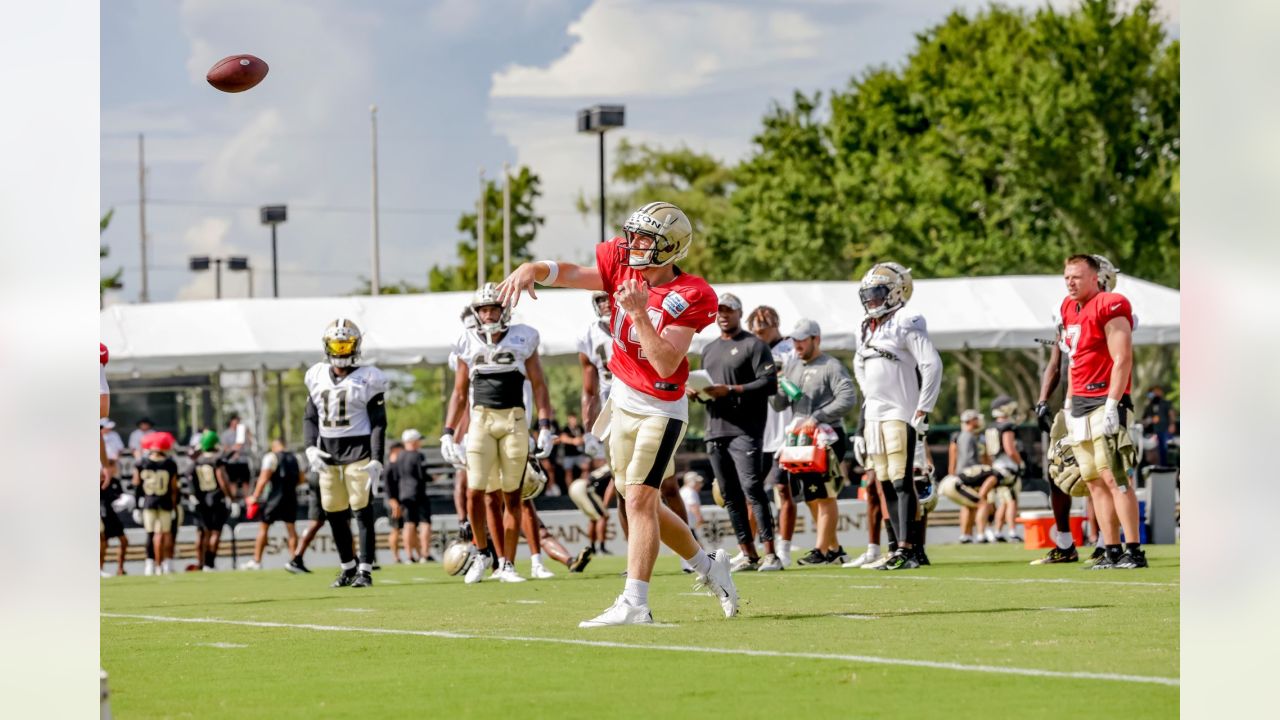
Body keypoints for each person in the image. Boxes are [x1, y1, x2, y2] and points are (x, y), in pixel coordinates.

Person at [498, 200, 740, 627]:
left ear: (670, 249)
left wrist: (636, 312)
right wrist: (535, 268)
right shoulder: (623, 264)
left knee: (643, 499)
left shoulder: (691, 294)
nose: (635, 244)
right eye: (634, 234)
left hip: (662, 406)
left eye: (646, 238)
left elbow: (666, 362)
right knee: (634, 499)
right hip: (623, 399)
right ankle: (708, 566)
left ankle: (635, 603)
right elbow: (573, 274)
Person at [441, 283, 556, 584]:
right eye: (484, 309)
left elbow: (540, 385)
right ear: (477, 313)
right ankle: (482, 553)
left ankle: (507, 564)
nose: (489, 314)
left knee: (512, 495)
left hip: (515, 420)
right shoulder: (466, 340)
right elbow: (459, 393)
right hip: (481, 420)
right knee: (475, 490)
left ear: (504, 310)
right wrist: (448, 432)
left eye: (493, 308)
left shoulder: (524, 336)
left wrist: (545, 426)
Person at [1057, 254, 1146, 569]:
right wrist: (1067, 403)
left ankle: (1133, 549)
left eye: (1077, 277)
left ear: (1096, 278)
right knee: (1093, 480)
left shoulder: (1110, 303)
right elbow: (1074, 361)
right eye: (1067, 276)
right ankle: (1110, 549)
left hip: (1105, 400)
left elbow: (1122, 358)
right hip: (1079, 403)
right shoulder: (1068, 308)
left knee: (1114, 476)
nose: (1070, 282)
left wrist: (1113, 402)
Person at [851, 262, 942, 571]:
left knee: (902, 482)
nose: (872, 300)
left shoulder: (907, 320)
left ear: (896, 292)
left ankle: (907, 549)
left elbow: (932, 364)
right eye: (869, 294)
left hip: (900, 412)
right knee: (884, 482)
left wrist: (922, 407)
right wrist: (864, 416)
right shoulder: (865, 326)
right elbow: (860, 367)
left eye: (878, 293)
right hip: (875, 414)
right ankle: (896, 548)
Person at [694, 292, 781, 572]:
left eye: (728, 310)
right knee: (729, 495)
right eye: (719, 310)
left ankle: (771, 554)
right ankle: (747, 553)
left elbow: (769, 384)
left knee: (752, 488)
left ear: (739, 313)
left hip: (746, 429)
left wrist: (731, 390)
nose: (723, 314)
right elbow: (707, 384)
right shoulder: (708, 350)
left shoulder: (754, 345)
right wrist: (697, 393)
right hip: (715, 428)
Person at [303, 318, 389, 588]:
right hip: (328, 453)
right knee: (333, 512)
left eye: (346, 345)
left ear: (356, 346)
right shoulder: (316, 374)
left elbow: (378, 422)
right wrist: (309, 447)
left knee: (362, 511)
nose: (341, 352)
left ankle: (365, 570)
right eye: (336, 345)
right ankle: (347, 566)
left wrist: (377, 457)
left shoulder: (368, 377)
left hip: (359, 451)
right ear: (327, 347)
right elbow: (309, 417)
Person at [771, 318, 857, 565]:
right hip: (799, 439)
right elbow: (779, 405)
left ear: (815, 339)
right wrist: (775, 388)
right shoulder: (792, 367)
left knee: (825, 493)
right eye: (794, 340)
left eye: (802, 339)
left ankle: (820, 550)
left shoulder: (831, 365)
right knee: (809, 495)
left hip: (827, 438)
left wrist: (818, 417)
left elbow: (848, 397)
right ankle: (834, 549)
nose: (797, 344)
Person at [747, 305, 803, 567]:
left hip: (784, 426)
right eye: (755, 330)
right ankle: (750, 546)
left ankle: (784, 546)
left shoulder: (790, 348)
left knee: (783, 488)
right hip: (758, 427)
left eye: (764, 329)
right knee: (752, 489)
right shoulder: (750, 348)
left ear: (775, 326)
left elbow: (798, 385)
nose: (759, 334)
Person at [575, 291, 616, 563]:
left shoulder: (640, 320)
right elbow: (589, 390)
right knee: (624, 489)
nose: (604, 303)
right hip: (613, 410)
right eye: (600, 299)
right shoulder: (589, 335)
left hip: (645, 402)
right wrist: (589, 430)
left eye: (608, 297)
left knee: (667, 485)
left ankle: (689, 555)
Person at [244, 439, 303, 569]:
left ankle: (256, 561)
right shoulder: (296, 457)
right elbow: (301, 479)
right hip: (291, 497)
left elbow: (263, 479)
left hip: (275, 498)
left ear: (274, 446)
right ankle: (294, 561)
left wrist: (254, 497)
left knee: (264, 528)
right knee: (291, 530)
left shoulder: (271, 457)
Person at [133, 431, 179, 575]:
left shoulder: (142, 462)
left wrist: (136, 505)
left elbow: (136, 484)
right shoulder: (170, 463)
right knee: (164, 534)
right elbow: (174, 487)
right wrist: (174, 505)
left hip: (148, 502)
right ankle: (164, 563)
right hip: (165, 502)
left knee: (150, 534)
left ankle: (150, 563)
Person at [191, 430, 235, 570]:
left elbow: (190, 478)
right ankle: (209, 563)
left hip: (202, 500)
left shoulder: (197, 461)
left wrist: (194, 495)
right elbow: (222, 480)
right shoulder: (217, 460)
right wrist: (230, 498)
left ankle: (201, 562)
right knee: (215, 532)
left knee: (203, 532)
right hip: (216, 499)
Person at [984, 396, 1025, 543]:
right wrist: (1020, 463)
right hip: (1009, 468)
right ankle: (1012, 531)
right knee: (1012, 500)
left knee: (1003, 501)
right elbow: (1010, 449)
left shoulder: (990, 426)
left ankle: (998, 531)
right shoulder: (1007, 426)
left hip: (997, 467)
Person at [948, 410, 988, 543]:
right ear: (970, 420)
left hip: (965, 473)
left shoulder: (964, 435)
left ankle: (967, 534)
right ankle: (975, 534)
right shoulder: (968, 436)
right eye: (976, 418)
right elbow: (968, 459)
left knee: (969, 505)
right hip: (969, 474)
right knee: (977, 503)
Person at [396, 430, 434, 563]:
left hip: (404, 494)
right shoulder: (418, 456)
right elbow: (422, 474)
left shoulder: (399, 456)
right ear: (412, 441)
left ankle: (409, 555)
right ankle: (424, 553)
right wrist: (432, 478)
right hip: (418, 492)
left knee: (408, 524)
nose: (420, 442)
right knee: (425, 524)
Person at [1141, 385, 1177, 466]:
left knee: (1166, 449)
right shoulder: (1149, 405)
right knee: (1156, 451)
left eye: (1158, 391)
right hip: (1153, 432)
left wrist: (1172, 424)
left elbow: (1171, 414)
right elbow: (1144, 419)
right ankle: (1159, 466)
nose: (1156, 393)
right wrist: (1149, 420)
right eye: (1154, 391)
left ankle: (1167, 466)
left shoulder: (1166, 403)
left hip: (1165, 429)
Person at [221, 414, 254, 496]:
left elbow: (249, 444)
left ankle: (247, 500)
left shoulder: (243, 433)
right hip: (232, 462)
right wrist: (233, 451)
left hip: (242, 461)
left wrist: (248, 434)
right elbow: (225, 448)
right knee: (233, 482)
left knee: (245, 482)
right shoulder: (226, 434)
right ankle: (233, 501)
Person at [384, 442, 406, 563]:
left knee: (403, 528)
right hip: (394, 502)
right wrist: (394, 504)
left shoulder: (399, 466)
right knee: (396, 528)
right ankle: (395, 556)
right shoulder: (389, 468)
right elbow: (388, 489)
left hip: (400, 501)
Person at [679, 471, 706, 544]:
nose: (700, 485)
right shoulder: (690, 492)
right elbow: (693, 506)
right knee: (698, 547)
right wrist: (699, 518)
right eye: (697, 482)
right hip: (688, 524)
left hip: (683, 523)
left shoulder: (683, 490)